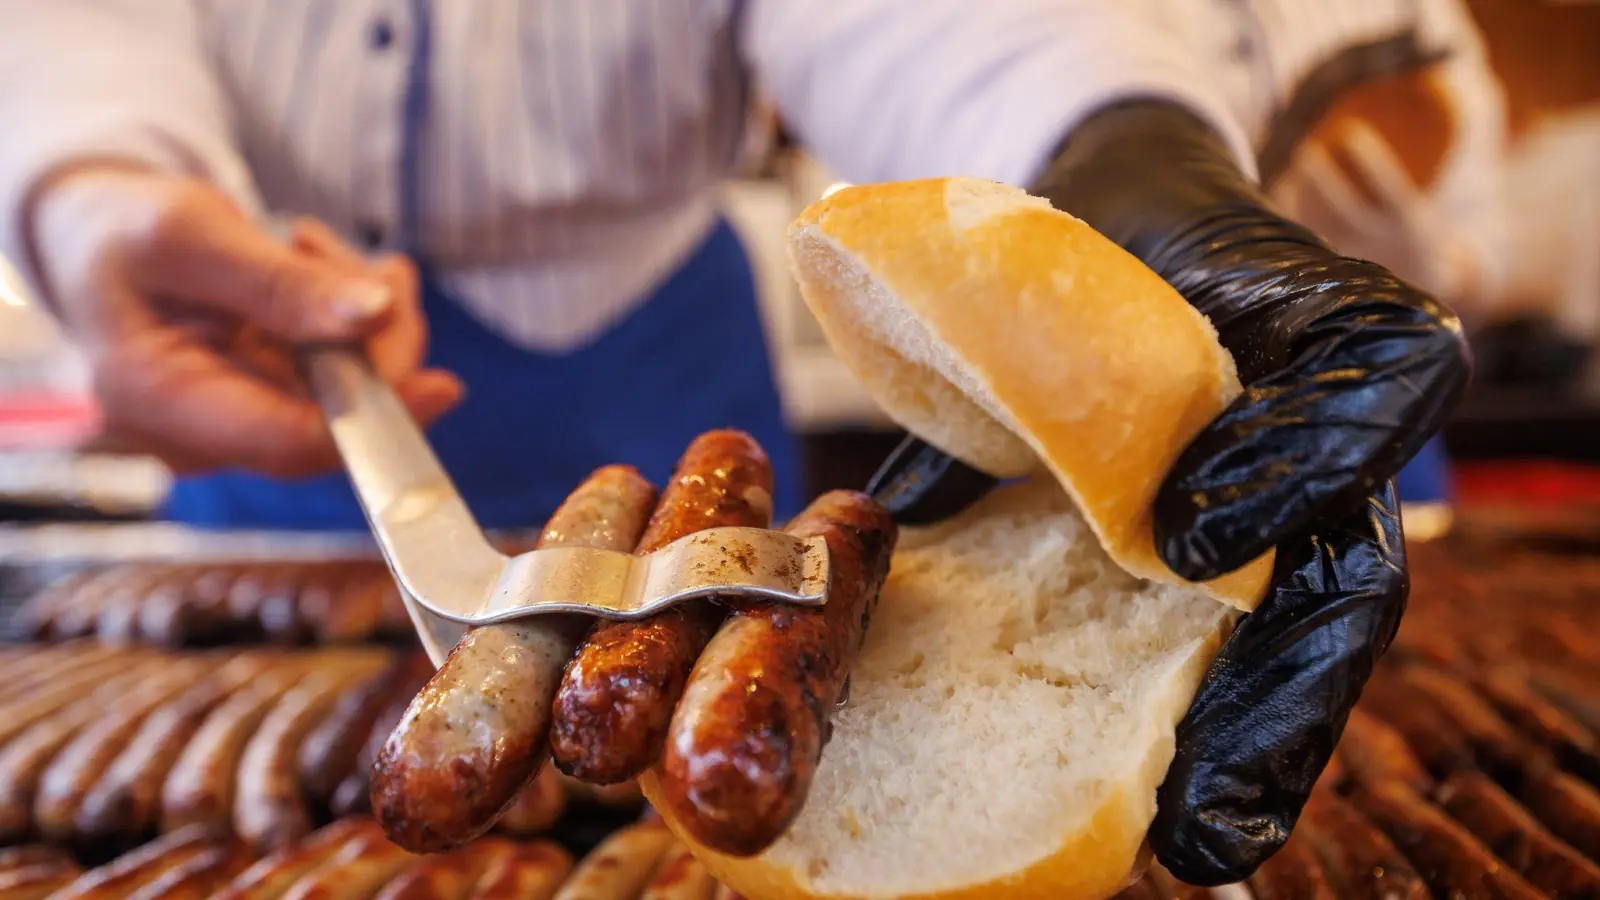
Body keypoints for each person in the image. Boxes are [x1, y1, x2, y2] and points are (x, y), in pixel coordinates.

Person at [0, 1, 1468, 885]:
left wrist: (1114, 161)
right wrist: (90, 184)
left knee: (704, 740)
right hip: (252, 348)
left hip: (652, 353)